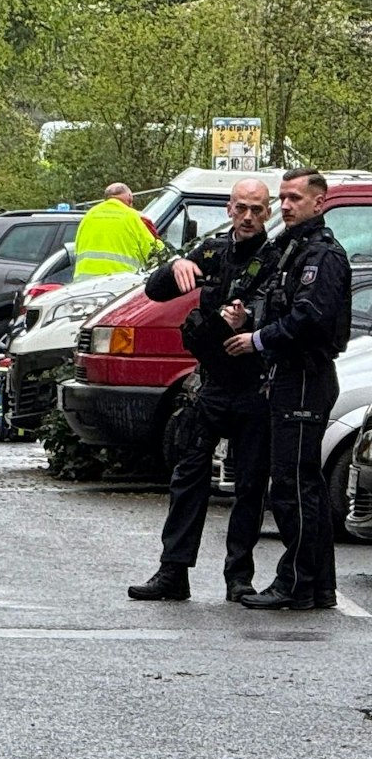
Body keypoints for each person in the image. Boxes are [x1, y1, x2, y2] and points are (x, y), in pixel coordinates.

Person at [128, 178, 276, 604]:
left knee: (250, 484)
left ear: (267, 213)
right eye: (241, 208)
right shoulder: (211, 251)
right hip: (211, 384)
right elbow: (156, 292)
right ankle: (172, 572)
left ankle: (239, 578)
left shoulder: (275, 257)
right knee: (188, 477)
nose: (248, 217)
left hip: (254, 386)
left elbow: (283, 314)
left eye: (257, 209)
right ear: (229, 209)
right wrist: (172, 267)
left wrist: (250, 321)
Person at [222, 168, 350, 610]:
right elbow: (279, 306)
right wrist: (249, 320)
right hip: (289, 376)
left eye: (296, 197)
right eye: (285, 197)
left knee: (292, 486)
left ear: (319, 202)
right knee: (302, 483)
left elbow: (309, 317)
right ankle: (318, 587)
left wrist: (257, 339)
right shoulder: (292, 249)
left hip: (305, 377)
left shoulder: (321, 255)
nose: (287, 205)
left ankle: (294, 583)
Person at [73, 182, 161, 280]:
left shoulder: (89, 216)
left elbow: (76, 249)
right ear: (129, 197)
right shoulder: (132, 217)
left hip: (83, 286)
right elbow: (155, 252)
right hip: (118, 286)